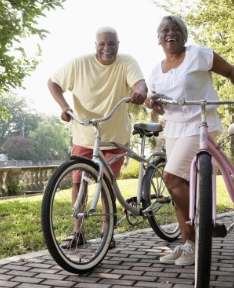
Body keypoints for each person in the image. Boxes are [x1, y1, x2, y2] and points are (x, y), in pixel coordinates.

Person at [145, 15, 234, 266]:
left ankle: (203, 225)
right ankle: (188, 245)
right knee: (178, 186)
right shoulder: (155, 71)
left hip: (201, 123)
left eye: (175, 28)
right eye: (164, 30)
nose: (170, 33)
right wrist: (151, 103)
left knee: (171, 178)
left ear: (184, 35)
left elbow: (231, 71)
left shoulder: (199, 54)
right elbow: (156, 102)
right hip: (174, 128)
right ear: (158, 39)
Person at [48, 26, 147, 249]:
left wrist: (140, 91)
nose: (106, 48)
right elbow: (52, 82)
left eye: (111, 43)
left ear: (118, 45)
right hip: (84, 134)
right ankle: (78, 232)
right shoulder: (78, 64)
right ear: (95, 46)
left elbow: (139, 83)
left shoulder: (126, 62)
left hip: (114, 136)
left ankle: (107, 231)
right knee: (78, 182)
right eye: (101, 44)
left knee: (107, 183)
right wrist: (64, 106)